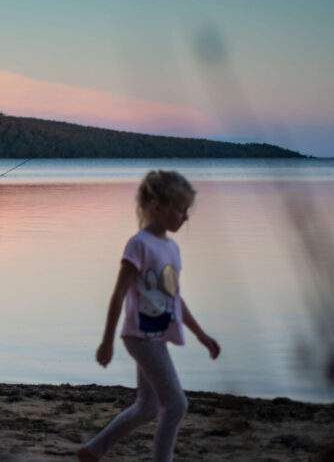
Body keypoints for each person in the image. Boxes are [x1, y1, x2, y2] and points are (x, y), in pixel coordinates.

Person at [77, 170, 221, 462]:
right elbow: (118, 294)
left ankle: (93, 451)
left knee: (149, 406)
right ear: (157, 206)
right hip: (140, 336)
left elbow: (175, 298)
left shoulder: (171, 248)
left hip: (156, 334)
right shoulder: (138, 244)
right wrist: (107, 342)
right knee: (176, 404)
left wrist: (201, 335)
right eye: (180, 209)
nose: (185, 217)